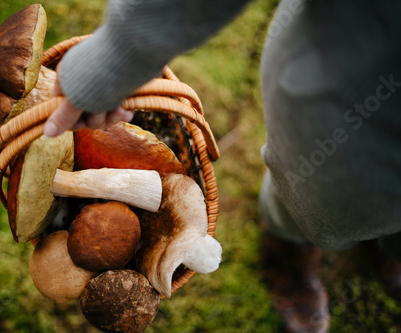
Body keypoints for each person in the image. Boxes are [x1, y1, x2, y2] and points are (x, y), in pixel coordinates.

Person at [44, 0, 401, 332]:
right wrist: (119, 53)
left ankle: (387, 247)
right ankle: (287, 242)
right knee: (315, 194)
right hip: (341, 90)